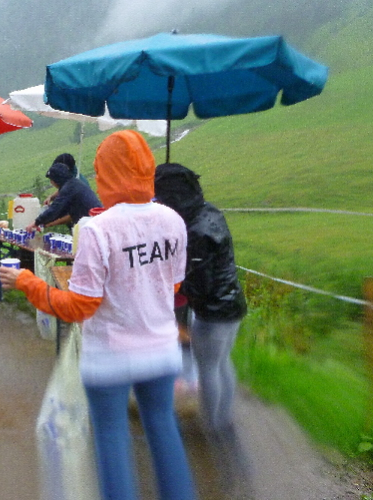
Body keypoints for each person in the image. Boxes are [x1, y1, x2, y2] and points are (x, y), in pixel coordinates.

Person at [1, 130, 196, 500]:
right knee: (163, 428)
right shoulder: (172, 220)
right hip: (161, 350)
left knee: (112, 438)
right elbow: (170, 286)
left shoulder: (99, 229)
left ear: (105, 172)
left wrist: (28, 282)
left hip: (109, 357)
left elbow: (79, 307)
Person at [154, 162, 251, 494]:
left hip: (213, 311)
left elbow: (199, 283)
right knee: (222, 363)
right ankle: (222, 418)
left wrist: (170, 286)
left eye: (160, 196)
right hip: (232, 303)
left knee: (208, 366)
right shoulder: (209, 212)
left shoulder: (195, 231)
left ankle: (211, 425)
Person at [25, 161, 101, 232]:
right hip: (94, 221)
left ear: (56, 180)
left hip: (92, 224)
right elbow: (62, 210)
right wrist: (45, 221)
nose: (51, 182)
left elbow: (55, 209)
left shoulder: (68, 188)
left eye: (51, 180)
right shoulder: (73, 183)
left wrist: (36, 222)